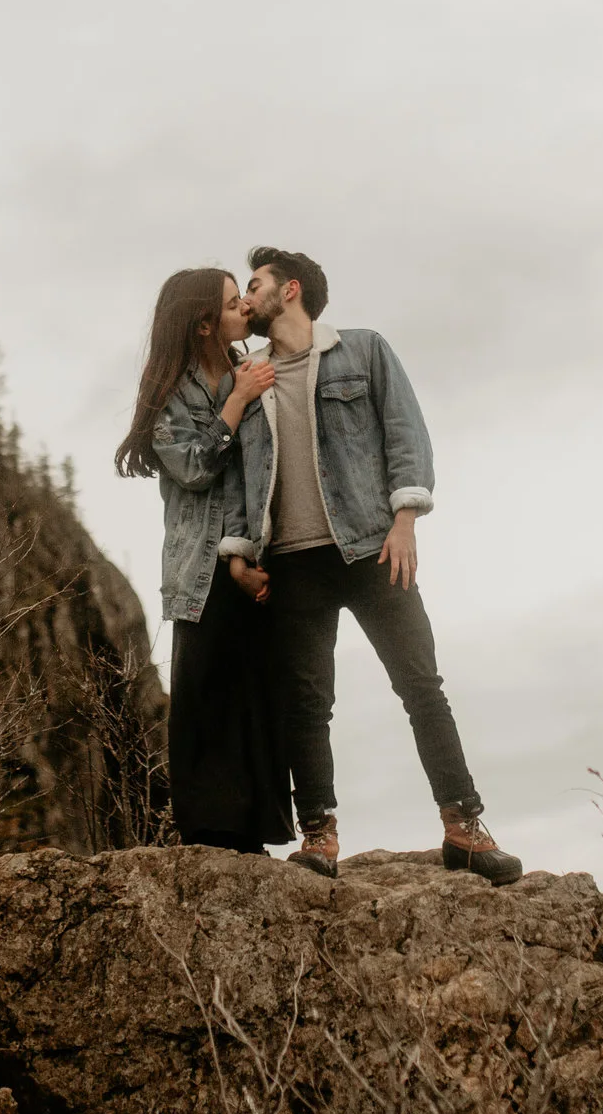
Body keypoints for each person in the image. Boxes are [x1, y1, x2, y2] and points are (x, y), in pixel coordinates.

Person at [220, 246, 521, 884]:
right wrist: (241, 553)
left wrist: (406, 517)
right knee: (307, 705)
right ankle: (320, 839)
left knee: (421, 688)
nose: (246, 299)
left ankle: (464, 828)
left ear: (291, 290)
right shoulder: (248, 374)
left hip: (372, 546)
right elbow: (237, 478)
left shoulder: (364, 350)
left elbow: (405, 431)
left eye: (255, 285)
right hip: (292, 562)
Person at [115, 267, 293, 855]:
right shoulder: (175, 392)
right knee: (206, 688)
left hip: (252, 553)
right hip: (198, 565)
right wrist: (237, 403)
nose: (244, 303)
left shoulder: (253, 368)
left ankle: (255, 829)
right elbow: (193, 469)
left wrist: (244, 552)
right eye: (230, 300)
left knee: (256, 688)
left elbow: (260, 470)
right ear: (202, 322)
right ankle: (208, 830)